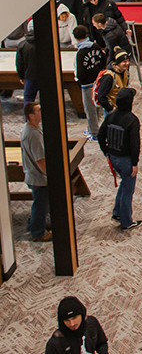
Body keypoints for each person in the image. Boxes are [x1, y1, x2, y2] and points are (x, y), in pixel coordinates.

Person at [98, 87, 142, 229]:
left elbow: (100, 135)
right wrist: (135, 163)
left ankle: (117, 212)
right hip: (126, 160)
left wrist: (106, 152)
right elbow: (135, 144)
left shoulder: (110, 115)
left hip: (113, 157)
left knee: (123, 185)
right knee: (128, 190)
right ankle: (126, 221)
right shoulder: (132, 120)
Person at [21, 102, 50, 241]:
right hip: (38, 178)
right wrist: (49, 176)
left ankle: (35, 224)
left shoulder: (32, 128)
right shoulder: (33, 135)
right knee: (40, 206)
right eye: (38, 110)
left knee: (41, 204)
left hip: (34, 175)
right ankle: (38, 231)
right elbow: (40, 160)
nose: (41, 111)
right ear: (31, 115)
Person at [74, 25, 104, 140]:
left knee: (89, 109)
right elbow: (102, 59)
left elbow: (80, 71)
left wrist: (80, 81)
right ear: (86, 35)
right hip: (98, 80)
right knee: (95, 105)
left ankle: (95, 134)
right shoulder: (95, 46)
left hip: (87, 84)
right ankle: (92, 129)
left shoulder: (80, 53)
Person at [16, 20, 37, 103]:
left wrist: (21, 76)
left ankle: (29, 116)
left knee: (28, 99)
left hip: (30, 76)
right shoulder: (45, 43)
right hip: (44, 76)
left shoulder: (22, 45)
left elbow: (19, 63)